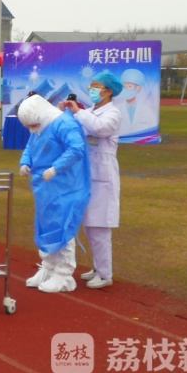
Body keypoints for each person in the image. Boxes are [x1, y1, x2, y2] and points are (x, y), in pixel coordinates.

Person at [18, 95, 91, 293]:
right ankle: (49, 268)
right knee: (46, 226)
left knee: (63, 227)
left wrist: (56, 168)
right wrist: (25, 162)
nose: (32, 129)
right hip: (45, 187)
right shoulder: (40, 125)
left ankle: (64, 274)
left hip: (67, 186)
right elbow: (31, 145)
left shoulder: (64, 124)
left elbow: (76, 149)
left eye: (33, 125)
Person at [61, 70, 123, 289]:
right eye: (92, 86)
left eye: (97, 86)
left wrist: (78, 111)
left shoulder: (112, 113)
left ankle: (105, 274)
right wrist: (69, 112)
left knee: (99, 226)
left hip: (103, 173)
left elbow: (100, 129)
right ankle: (98, 268)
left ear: (108, 91)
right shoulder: (94, 111)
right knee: (89, 224)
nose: (92, 90)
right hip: (88, 172)